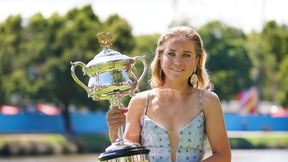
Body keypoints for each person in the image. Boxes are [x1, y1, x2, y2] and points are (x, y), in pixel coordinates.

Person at [106, 26, 231, 162]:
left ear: (197, 60)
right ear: (160, 56)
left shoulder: (208, 101)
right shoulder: (140, 102)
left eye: (186, 55)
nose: (178, 62)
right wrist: (114, 134)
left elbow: (223, 156)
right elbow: (129, 158)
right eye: (171, 53)